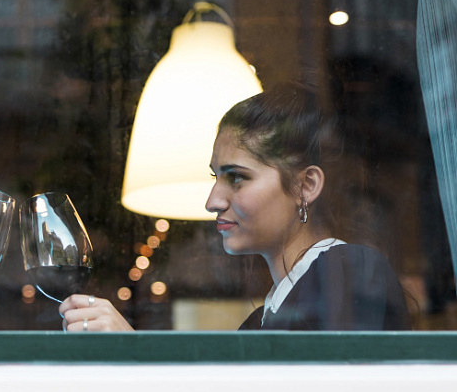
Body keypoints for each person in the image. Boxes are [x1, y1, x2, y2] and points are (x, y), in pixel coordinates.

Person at [60, 83, 411, 331]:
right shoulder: (264, 318)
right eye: (215, 177)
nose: (212, 201)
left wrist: (132, 353)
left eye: (237, 178)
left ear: (307, 185)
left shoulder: (350, 271)